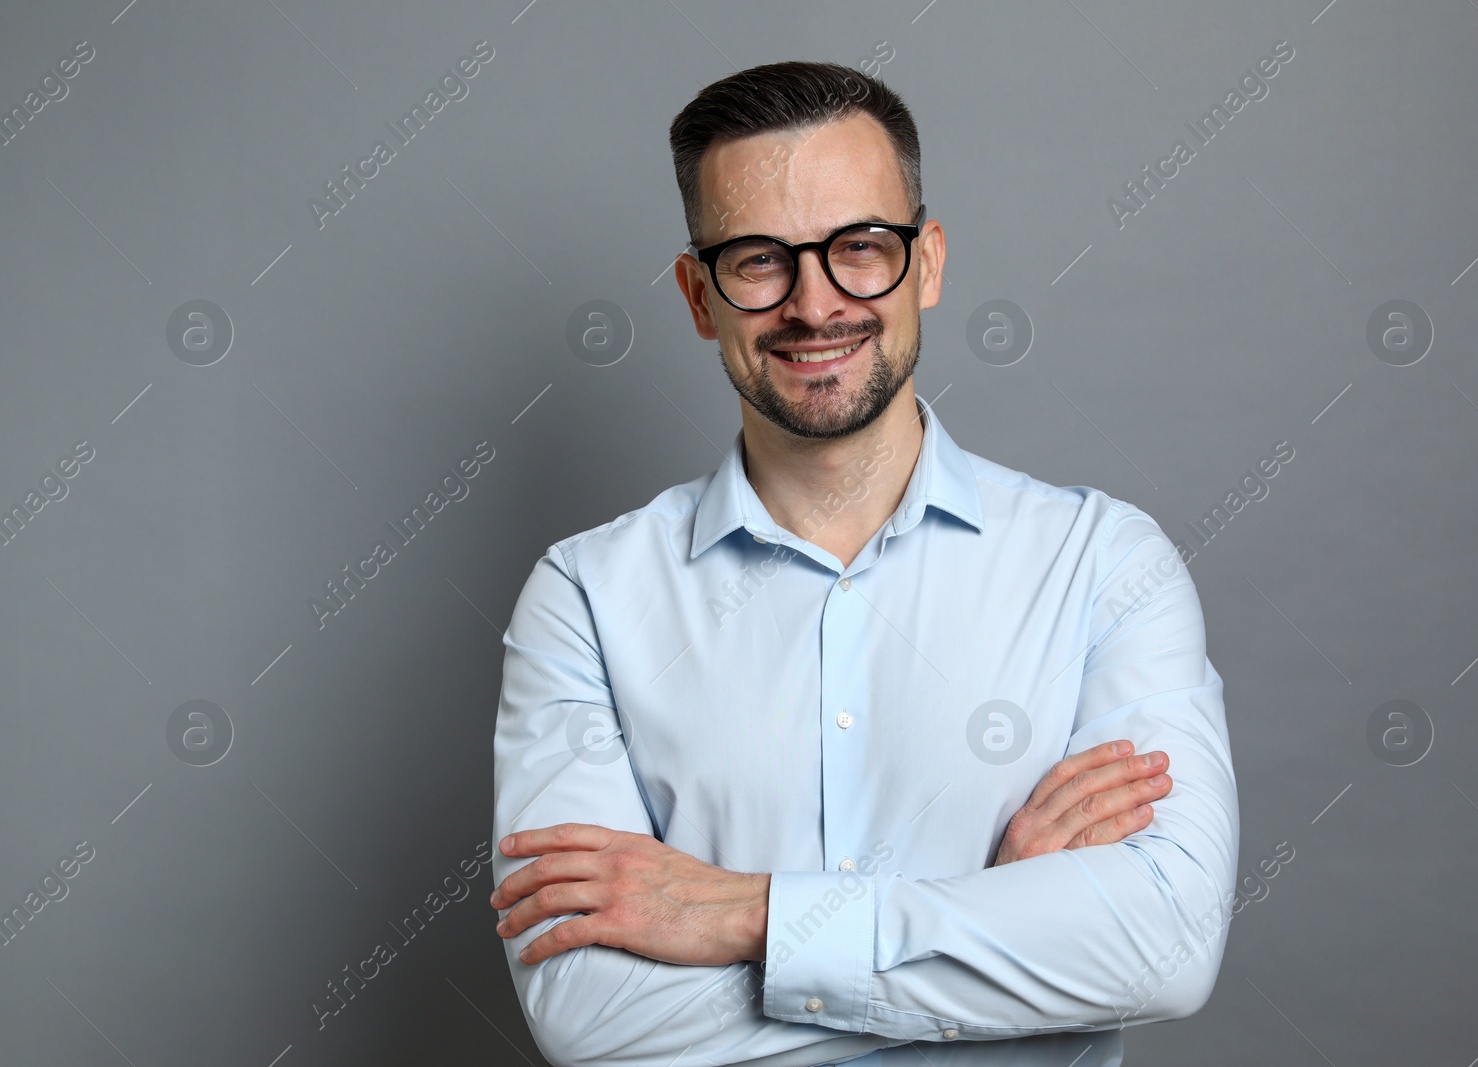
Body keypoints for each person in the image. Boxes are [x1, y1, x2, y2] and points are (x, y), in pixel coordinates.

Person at [488, 60, 1239, 1067]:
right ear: (697, 296)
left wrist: (741, 913)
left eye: (859, 247)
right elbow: (592, 1018)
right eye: (759, 259)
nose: (814, 303)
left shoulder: (1104, 563)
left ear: (926, 262)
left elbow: (1167, 946)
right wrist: (995, 909)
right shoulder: (584, 596)